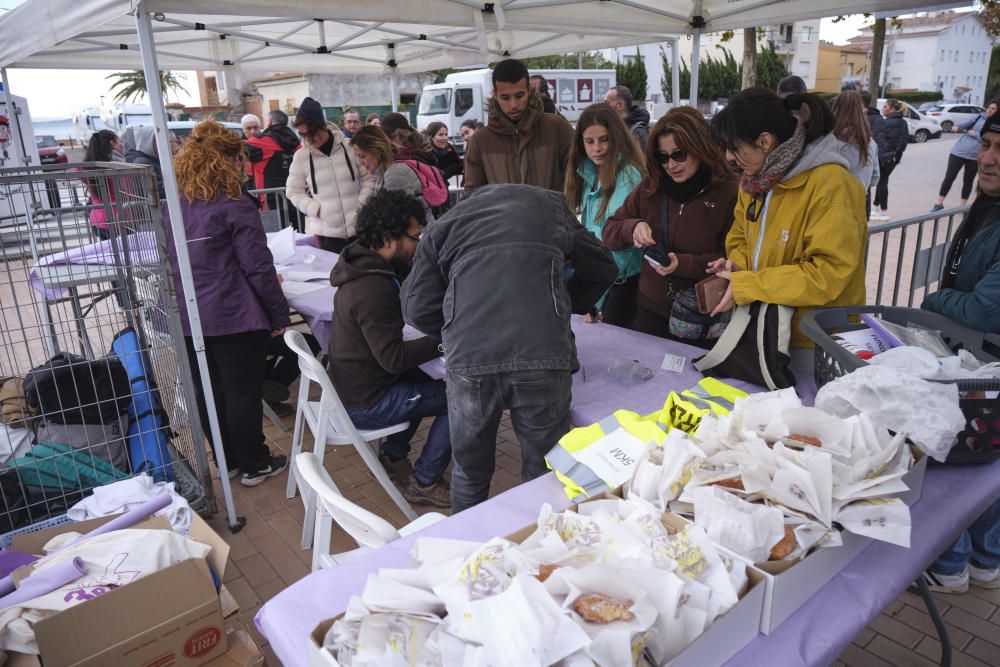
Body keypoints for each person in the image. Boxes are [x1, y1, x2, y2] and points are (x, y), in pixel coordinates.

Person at [400, 184, 618, 511]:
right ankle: (540, 549)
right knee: (544, 471)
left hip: (471, 361)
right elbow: (604, 268)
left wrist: (457, 329)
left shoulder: (446, 224)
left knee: (470, 472)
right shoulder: (552, 206)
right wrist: (563, 306)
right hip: (542, 355)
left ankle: (471, 552)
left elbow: (416, 307)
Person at [164, 120, 289, 487]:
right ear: (229, 160)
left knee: (209, 391)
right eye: (239, 159)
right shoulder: (233, 202)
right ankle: (253, 462)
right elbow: (257, 264)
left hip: (188, 313)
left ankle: (229, 460)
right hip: (232, 312)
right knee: (240, 392)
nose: (243, 166)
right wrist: (278, 312)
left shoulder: (176, 204)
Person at [708, 88, 867, 368]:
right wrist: (738, 269)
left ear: (765, 142)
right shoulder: (756, 182)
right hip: (768, 329)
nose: (730, 158)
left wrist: (749, 284)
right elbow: (739, 237)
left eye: (735, 148)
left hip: (815, 340)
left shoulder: (832, 185)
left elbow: (827, 273)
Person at [328, 190, 451, 507]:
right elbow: (394, 359)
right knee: (461, 399)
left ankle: (394, 456)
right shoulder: (372, 287)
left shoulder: (361, 266)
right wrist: (444, 339)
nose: (417, 245)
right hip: (367, 403)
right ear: (387, 238)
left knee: (433, 383)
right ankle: (425, 481)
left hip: (358, 387)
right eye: (414, 237)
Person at [921, 119, 1000, 594]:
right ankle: (982, 558)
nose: (986, 158)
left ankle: (953, 565)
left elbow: (981, 308)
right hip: (976, 360)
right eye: (986, 145)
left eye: (999, 150)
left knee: (959, 464)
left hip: (983, 363)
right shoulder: (986, 208)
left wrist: (934, 302)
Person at [604, 107, 738, 340]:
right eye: (663, 157)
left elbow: (733, 259)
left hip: (702, 316)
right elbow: (610, 230)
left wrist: (682, 264)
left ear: (700, 148)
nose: (671, 164)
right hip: (650, 311)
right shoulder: (650, 186)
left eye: (679, 154)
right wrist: (632, 227)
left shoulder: (729, 193)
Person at [564, 103, 646, 327]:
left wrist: (594, 299)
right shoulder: (589, 173)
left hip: (621, 286)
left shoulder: (628, 175)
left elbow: (619, 248)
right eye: (589, 141)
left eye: (604, 139)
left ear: (616, 137)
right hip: (605, 284)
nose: (597, 148)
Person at [463, 58, 574, 194]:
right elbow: (472, 195)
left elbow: (580, 174)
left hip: (554, 215)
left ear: (529, 90)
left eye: (519, 95)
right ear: (495, 95)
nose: (513, 104)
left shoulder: (556, 127)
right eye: (505, 97)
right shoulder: (480, 141)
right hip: (503, 216)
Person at [286, 97, 376, 253]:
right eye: (302, 134)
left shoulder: (350, 147)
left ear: (322, 126)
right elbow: (293, 191)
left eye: (311, 133)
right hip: (325, 234)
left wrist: (361, 203)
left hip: (359, 229)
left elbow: (369, 178)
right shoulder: (301, 156)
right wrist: (315, 209)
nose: (308, 139)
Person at [350, 125, 438, 223]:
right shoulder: (385, 173)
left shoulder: (394, 174)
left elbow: (397, 220)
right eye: (357, 157)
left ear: (377, 150)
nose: (360, 162)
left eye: (362, 156)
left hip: (419, 236)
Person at [933, 99, 999, 212]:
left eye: (993, 109)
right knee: (949, 177)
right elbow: (964, 124)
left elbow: (987, 139)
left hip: (974, 156)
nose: (990, 110)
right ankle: (939, 203)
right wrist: (957, 127)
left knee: (968, 181)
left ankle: (962, 207)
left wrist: (975, 134)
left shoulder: (994, 124)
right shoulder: (978, 117)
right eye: (989, 108)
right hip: (958, 152)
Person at [829, 91, 880, 219]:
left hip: (829, 207)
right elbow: (875, 177)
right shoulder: (870, 142)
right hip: (858, 207)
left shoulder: (829, 141)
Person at [245, 109, 301, 216]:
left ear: (270, 122)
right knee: (298, 232)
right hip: (296, 197)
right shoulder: (297, 142)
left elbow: (233, 150)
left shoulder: (262, 141)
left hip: (270, 199)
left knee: (275, 232)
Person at [872, 99, 908, 221]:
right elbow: (903, 141)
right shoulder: (903, 122)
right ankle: (876, 207)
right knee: (882, 181)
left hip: (884, 156)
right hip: (893, 158)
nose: (883, 109)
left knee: (882, 182)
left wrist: (884, 153)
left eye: (885, 106)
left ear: (892, 109)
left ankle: (883, 211)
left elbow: (880, 140)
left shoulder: (884, 122)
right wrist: (895, 154)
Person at [125, 126, 165, 198]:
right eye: (157, 140)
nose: (162, 143)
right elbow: (155, 191)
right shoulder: (143, 162)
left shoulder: (152, 157)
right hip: (154, 207)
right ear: (147, 142)